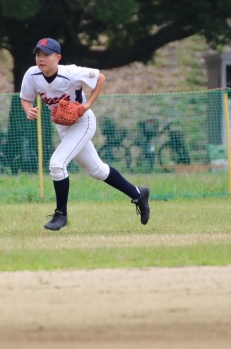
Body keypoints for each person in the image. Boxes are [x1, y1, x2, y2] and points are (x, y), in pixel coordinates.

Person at [20, 38, 151, 231]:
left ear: (58, 57)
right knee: (98, 171)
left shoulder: (70, 73)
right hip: (64, 126)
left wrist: (86, 105)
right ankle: (139, 194)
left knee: (57, 164)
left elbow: (100, 78)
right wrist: (28, 110)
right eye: (38, 54)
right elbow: (26, 98)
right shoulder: (32, 74)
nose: (41, 58)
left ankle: (61, 215)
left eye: (46, 54)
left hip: (83, 122)